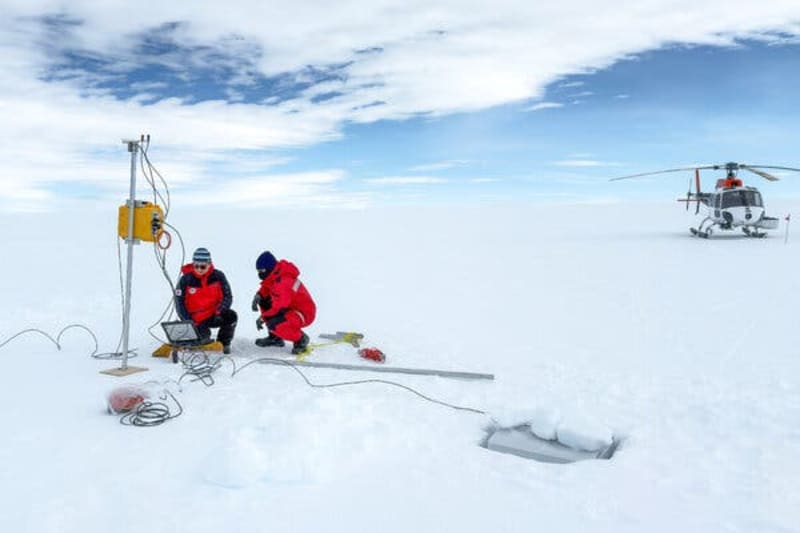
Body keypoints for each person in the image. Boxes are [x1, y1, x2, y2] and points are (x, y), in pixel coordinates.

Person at [175, 247, 237, 354]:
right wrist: (188, 320)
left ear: (209, 264)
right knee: (203, 340)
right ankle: (198, 337)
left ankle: (224, 343)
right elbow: (179, 303)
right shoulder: (185, 280)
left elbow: (228, 297)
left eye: (203, 266)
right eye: (196, 266)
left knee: (231, 316)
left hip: (214, 315)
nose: (199, 269)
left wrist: (220, 310)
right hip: (196, 319)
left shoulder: (218, 276)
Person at [252, 250, 316, 354]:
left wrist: (263, 318)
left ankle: (301, 339)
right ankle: (275, 338)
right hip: (290, 308)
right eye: (258, 271)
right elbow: (267, 286)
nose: (260, 274)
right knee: (264, 301)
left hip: (303, 313)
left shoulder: (283, 282)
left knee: (274, 323)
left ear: (269, 268)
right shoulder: (276, 274)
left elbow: (278, 308)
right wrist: (259, 295)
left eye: (262, 270)